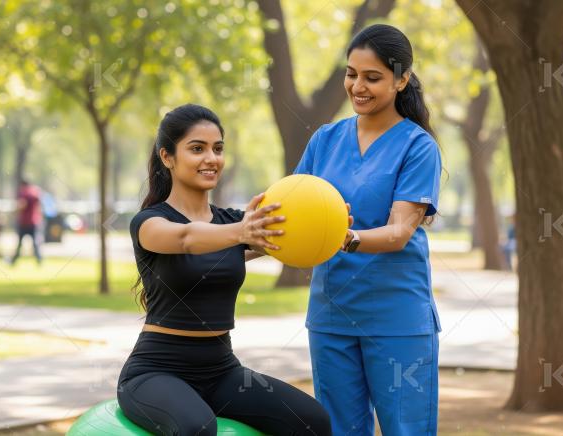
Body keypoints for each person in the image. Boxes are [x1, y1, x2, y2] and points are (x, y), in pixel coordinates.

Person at [118, 104, 332, 436]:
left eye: (218, 149)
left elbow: (290, 240)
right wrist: (241, 232)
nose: (211, 158)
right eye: (197, 148)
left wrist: (332, 229)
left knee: (313, 420)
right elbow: (187, 239)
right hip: (155, 372)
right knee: (198, 428)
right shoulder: (149, 223)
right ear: (167, 157)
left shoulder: (233, 223)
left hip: (221, 370)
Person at [293, 24, 443, 435]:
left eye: (372, 77)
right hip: (331, 315)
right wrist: (239, 235)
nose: (358, 86)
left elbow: (398, 233)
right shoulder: (324, 140)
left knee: (405, 428)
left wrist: (343, 238)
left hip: (396, 319)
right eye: (351, 74)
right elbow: (293, 214)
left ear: (402, 79)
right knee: (339, 429)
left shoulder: (418, 146)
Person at [9, 179, 43, 265]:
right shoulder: (35, 192)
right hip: (34, 221)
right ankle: (39, 260)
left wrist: (14, 212)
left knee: (20, 243)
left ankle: (14, 261)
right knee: (35, 243)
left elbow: (22, 204)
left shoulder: (24, 192)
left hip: (25, 222)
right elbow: (39, 205)